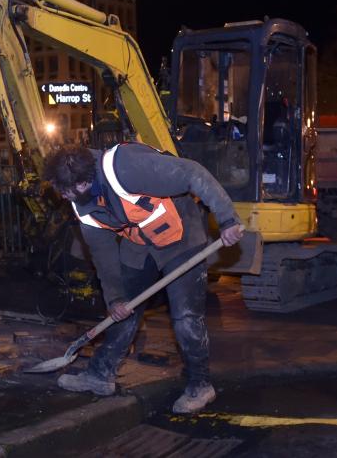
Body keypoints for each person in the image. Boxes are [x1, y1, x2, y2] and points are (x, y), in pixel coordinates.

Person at [43, 142, 243, 414]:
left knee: (185, 317)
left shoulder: (125, 166)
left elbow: (194, 174)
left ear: (81, 184)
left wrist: (227, 219)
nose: (61, 196)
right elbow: (103, 255)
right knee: (124, 308)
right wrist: (114, 298)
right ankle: (100, 375)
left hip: (180, 234)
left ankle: (200, 385)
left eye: (64, 190)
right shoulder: (83, 206)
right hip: (139, 243)